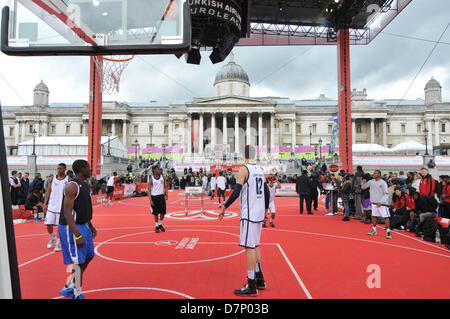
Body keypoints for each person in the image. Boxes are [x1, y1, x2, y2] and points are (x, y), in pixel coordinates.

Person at [219, 145, 270, 297]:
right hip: (259, 212)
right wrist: (266, 210)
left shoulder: (244, 169)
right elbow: (267, 192)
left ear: (243, 155)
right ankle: (260, 278)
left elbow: (236, 192)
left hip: (249, 213)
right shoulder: (260, 170)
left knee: (249, 247)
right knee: (255, 245)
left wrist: (224, 207)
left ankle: (252, 284)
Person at [59, 160, 97, 299]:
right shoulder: (72, 186)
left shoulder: (85, 184)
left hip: (84, 225)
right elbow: (67, 213)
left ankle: (70, 285)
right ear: (81, 169)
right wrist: (77, 235)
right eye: (88, 167)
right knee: (77, 262)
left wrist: (90, 225)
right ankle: (75, 293)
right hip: (71, 227)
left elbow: (82, 208)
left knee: (89, 256)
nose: (90, 169)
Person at [43, 163, 69, 252]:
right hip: (51, 205)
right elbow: (48, 191)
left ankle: (58, 242)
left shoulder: (68, 179)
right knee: (48, 224)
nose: (59, 170)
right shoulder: (52, 178)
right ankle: (52, 237)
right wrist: (44, 204)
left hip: (62, 206)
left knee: (60, 226)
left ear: (65, 169)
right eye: (58, 168)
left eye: (61, 168)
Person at [361, 170, 392, 239]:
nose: (374, 174)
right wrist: (363, 182)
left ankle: (388, 231)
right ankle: (374, 229)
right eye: (374, 173)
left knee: (385, 217)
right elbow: (363, 187)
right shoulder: (371, 181)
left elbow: (386, 194)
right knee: (374, 216)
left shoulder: (383, 183)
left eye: (376, 173)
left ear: (379, 175)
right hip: (374, 203)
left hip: (382, 204)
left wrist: (381, 202)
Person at [148, 164, 169, 233]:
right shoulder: (151, 179)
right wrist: (150, 200)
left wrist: (166, 194)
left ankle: (160, 224)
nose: (159, 170)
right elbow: (149, 190)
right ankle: (156, 226)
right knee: (156, 213)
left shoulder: (163, 177)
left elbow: (166, 187)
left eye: (159, 169)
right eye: (158, 169)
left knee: (163, 212)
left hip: (161, 197)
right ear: (154, 170)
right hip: (154, 197)